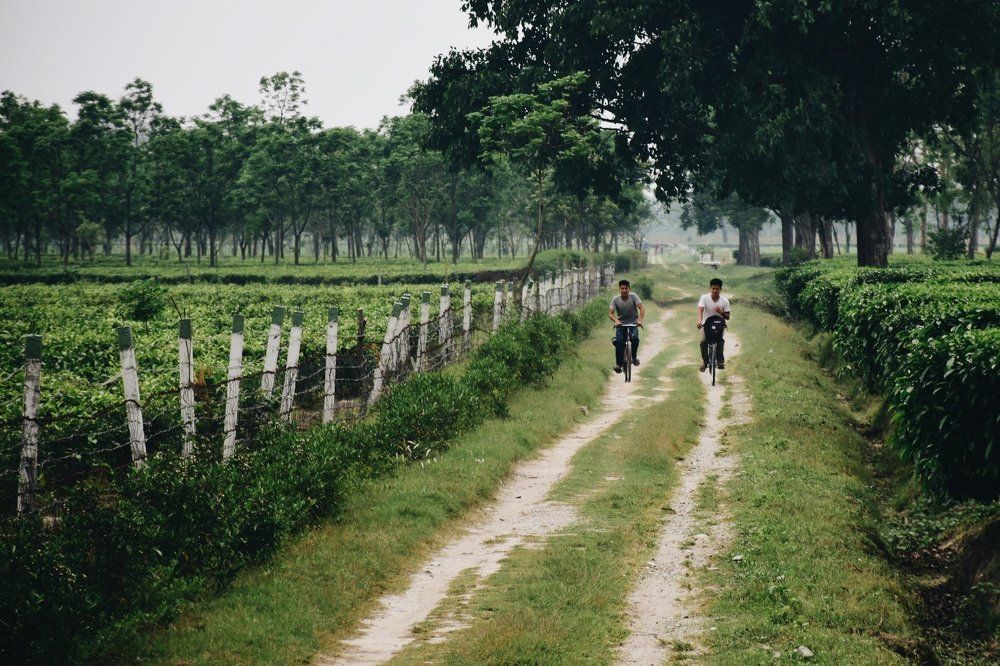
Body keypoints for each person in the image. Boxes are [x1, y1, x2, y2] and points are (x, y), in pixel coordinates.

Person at [609, 279, 645, 373]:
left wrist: (640, 320)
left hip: (633, 323)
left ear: (629, 289)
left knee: (635, 339)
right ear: (619, 289)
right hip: (621, 324)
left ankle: (634, 358)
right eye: (622, 288)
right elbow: (610, 313)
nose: (624, 290)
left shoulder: (633, 297)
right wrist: (616, 321)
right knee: (619, 343)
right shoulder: (615, 299)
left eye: (626, 288)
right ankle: (619, 364)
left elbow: (641, 308)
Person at [697, 277, 731, 372]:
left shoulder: (724, 301)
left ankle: (720, 361)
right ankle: (705, 362)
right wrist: (699, 321)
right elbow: (700, 310)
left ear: (720, 289)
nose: (715, 291)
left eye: (717, 289)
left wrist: (721, 312)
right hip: (706, 324)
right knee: (703, 342)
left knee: (719, 340)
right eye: (713, 288)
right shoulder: (704, 298)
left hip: (720, 324)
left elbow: (727, 317)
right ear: (710, 288)